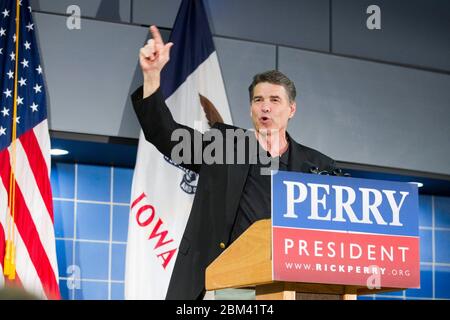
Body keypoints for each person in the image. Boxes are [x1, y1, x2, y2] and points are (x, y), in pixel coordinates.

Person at [131, 26, 337, 300]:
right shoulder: (223, 146)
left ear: (291, 109)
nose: (265, 107)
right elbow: (164, 134)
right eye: (258, 100)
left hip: (295, 286)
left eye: (275, 100)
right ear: (250, 108)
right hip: (232, 285)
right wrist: (152, 75)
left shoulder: (319, 166)